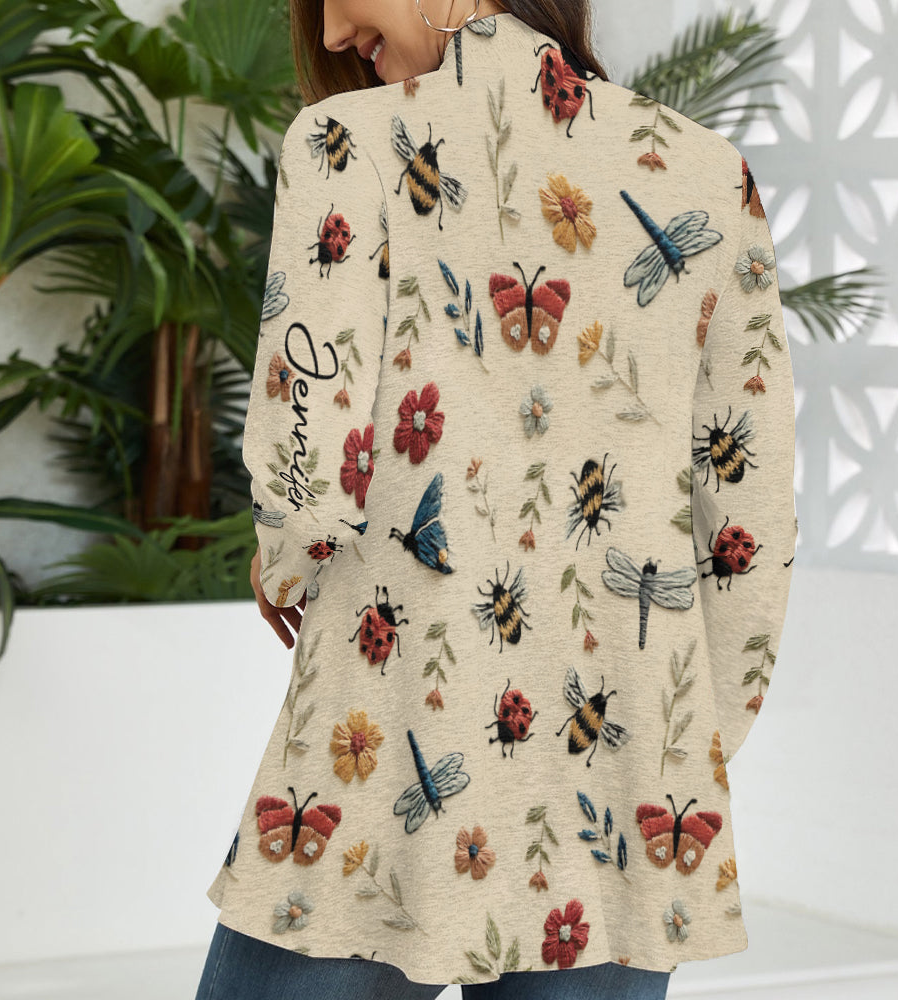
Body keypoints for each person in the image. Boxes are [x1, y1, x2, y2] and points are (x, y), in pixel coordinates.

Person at [195, 0, 798, 997]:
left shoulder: (346, 141)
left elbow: (307, 457)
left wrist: (288, 556)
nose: (331, 34)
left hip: (385, 730)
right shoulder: (705, 171)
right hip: (624, 751)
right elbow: (750, 505)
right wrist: (685, 738)